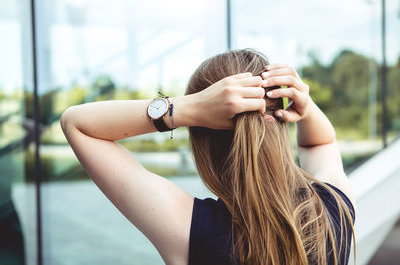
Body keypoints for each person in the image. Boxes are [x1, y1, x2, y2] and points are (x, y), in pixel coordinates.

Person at [61, 49, 355, 265]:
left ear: (200, 141)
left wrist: (186, 109)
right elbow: (321, 143)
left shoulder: (189, 229)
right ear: (281, 122)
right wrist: (306, 101)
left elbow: (77, 124)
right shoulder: (334, 209)